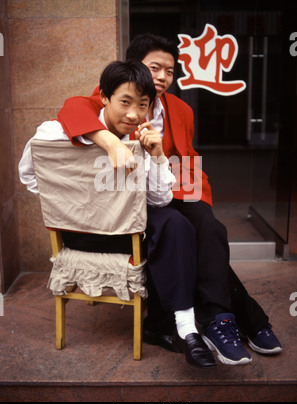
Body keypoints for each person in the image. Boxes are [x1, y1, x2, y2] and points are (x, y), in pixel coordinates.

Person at [55, 34, 282, 365]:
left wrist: (195, 197)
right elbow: (72, 109)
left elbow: (187, 159)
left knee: (209, 228)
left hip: (172, 186)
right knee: (180, 229)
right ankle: (248, 318)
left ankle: (220, 320)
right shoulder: (109, 98)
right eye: (154, 68)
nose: (161, 77)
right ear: (135, 69)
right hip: (127, 199)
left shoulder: (181, 109)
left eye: (169, 71)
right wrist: (109, 141)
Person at [19, 59, 216, 369]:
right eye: (125, 102)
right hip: (80, 234)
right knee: (171, 226)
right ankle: (173, 324)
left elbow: (161, 200)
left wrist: (159, 156)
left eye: (142, 105)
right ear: (105, 98)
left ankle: (186, 327)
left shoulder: (141, 140)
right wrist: (77, 197)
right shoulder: (55, 132)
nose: (133, 114)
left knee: (176, 223)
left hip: (127, 235)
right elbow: (31, 175)